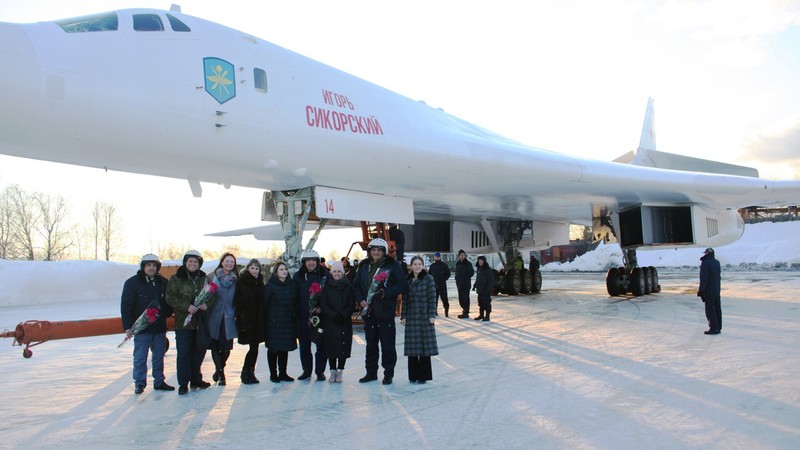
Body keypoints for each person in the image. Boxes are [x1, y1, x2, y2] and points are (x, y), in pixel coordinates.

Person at [353, 237, 406, 385]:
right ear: (370, 251)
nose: (376, 252)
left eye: (379, 250)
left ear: (384, 252)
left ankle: (388, 374)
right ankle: (371, 373)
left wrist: (386, 293)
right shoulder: (363, 266)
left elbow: (401, 285)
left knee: (387, 345)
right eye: (373, 250)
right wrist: (361, 300)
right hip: (368, 311)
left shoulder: (392, 266)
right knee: (371, 345)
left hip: (385, 311)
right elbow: (356, 285)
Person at [120, 253, 174, 394]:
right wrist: (127, 326)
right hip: (142, 328)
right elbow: (126, 306)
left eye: (154, 265)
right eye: (148, 265)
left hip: (159, 327)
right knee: (140, 357)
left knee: (158, 356)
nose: (151, 268)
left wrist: (167, 312)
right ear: (143, 267)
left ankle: (159, 381)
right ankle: (139, 383)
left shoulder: (163, 282)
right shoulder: (132, 283)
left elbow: (168, 301)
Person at [166, 250, 214, 395]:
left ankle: (196, 379)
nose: (193, 264)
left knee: (198, 352)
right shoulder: (176, 279)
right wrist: (186, 306)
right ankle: (183, 382)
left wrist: (207, 305)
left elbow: (212, 295)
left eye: (196, 262)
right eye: (190, 261)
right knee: (184, 353)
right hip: (183, 323)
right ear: (185, 263)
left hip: (199, 323)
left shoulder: (203, 278)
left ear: (199, 264)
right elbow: (170, 297)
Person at [292, 249, 330, 381]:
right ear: (304, 262)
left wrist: (322, 308)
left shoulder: (325, 275)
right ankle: (306, 371)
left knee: (321, 345)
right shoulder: (298, 276)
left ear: (318, 262)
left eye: (314, 260)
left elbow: (330, 295)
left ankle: (320, 371)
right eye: (308, 260)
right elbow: (294, 296)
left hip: (321, 317)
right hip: (304, 317)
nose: (311, 263)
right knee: (304, 345)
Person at [401, 255, 439, 384]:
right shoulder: (408, 280)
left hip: (424, 317)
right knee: (412, 349)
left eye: (419, 264)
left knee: (423, 348)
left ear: (422, 265)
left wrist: (432, 315)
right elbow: (405, 301)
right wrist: (403, 316)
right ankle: (413, 375)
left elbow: (433, 298)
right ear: (411, 266)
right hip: (412, 318)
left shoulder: (428, 279)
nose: (417, 266)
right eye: (414, 264)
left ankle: (423, 376)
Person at [263, 261, 299, 382]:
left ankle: (283, 372)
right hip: (274, 322)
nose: (284, 271)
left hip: (287, 321)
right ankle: (273, 373)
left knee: (284, 348)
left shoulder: (292, 285)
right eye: (281, 269)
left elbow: (295, 301)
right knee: (273, 349)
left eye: (285, 269)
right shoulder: (270, 286)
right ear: (276, 273)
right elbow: (265, 304)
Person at [319, 261, 354, 383]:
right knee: (331, 346)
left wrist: (343, 315)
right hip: (331, 321)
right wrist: (333, 315)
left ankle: (340, 371)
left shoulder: (348, 286)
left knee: (343, 346)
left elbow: (351, 304)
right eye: (334, 271)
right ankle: (332, 370)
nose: (337, 274)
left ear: (343, 273)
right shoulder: (327, 287)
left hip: (344, 321)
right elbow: (324, 304)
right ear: (331, 273)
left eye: (339, 271)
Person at [207, 252, 238, 386]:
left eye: (232, 262)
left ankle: (219, 370)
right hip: (214, 317)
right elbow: (206, 295)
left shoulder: (236, 280)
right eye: (227, 261)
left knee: (226, 348)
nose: (229, 264)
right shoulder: (212, 277)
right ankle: (222, 375)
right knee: (215, 346)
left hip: (229, 317)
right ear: (222, 262)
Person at [234, 258, 265, 384]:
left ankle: (251, 372)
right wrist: (241, 320)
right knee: (252, 348)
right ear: (247, 269)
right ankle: (245, 372)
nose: (254, 270)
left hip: (258, 320)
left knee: (255, 347)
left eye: (257, 268)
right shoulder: (242, 282)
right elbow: (238, 302)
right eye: (252, 268)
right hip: (248, 319)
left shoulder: (260, 282)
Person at [697, 247, 722, 335]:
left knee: (710, 310)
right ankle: (718, 327)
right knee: (717, 308)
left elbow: (704, 279)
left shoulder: (705, 263)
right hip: (716, 289)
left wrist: (701, 291)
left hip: (709, 290)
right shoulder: (717, 262)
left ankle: (713, 328)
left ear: (707, 254)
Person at [428, 252, 451, 317]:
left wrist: (443, 279)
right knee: (434, 299)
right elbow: (429, 275)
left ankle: (446, 312)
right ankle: (435, 311)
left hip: (442, 285)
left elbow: (448, 274)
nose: (437, 258)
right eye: (436, 256)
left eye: (438, 256)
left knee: (444, 299)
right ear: (434, 257)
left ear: (440, 257)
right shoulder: (432, 266)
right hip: (434, 286)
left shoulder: (444, 265)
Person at [473, 255, 494, 321]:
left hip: (485, 290)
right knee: (480, 303)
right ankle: (481, 315)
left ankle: (487, 316)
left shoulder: (487, 269)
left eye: (481, 261)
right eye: (479, 261)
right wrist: (475, 285)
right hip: (480, 289)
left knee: (486, 303)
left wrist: (488, 289)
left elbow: (491, 280)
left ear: (484, 261)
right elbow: (478, 279)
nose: (480, 262)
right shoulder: (479, 269)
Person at [454, 249, 474, 319]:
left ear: (465, 256)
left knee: (465, 299)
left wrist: (465, 278)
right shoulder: (458, 264)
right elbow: (457, 274)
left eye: (463, 255)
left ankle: (466, 312)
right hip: (459, 284)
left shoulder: (468, 264)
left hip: (466, 284)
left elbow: (471, 273)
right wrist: (457, 280)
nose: (462, 256)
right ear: (459, 256)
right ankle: (464, 310)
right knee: (461, 299)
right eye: (460, 255)